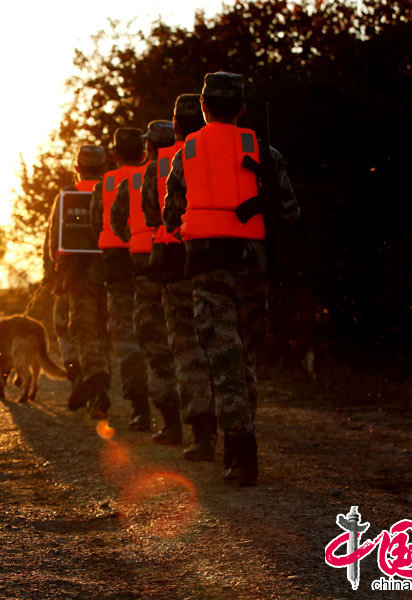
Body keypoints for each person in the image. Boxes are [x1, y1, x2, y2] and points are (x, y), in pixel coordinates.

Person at [163, 72, 299, 485]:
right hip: (254, 267)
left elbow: (170, 217)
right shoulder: (264, 150)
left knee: (224, 360)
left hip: (208, 268)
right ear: (240, 108)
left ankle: (241, 452)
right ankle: (242, 444)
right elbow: (291, 213)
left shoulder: (185, 153)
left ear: (203, 107)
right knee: (246, 359)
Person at [142, 95, 217, 458]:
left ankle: (200, 434)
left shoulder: (164, 164)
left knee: (186, 348)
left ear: (175, 125)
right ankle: (237, 437)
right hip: (228, 256)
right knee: (224, 348)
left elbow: (154, 215)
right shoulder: (239, 147)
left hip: (176, 260)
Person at [108, 120, 182, 440]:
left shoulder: (136, 179)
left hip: (147, 268)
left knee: (152, 345)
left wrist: (138, 242)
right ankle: (204, 429)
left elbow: (116, 220)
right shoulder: (192, 162)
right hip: (189, 263)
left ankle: (164, 419)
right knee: (187, 344)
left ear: (149, 148)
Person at [86, 128, 151, 427]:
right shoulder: (156, 175)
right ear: (144, 152)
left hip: (116, 270)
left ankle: (141, 409)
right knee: (158, 337)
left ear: (114, 155)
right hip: (153, 264)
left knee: (126, 340)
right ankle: (170, 408)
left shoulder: (106, 184)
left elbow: (94, 222)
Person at [43, 144, 111, 415]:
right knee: (99, 331)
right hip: (108, 272)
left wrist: (51, 275)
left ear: (77, 168)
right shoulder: (111, 191)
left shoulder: (65, 196)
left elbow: (53, 238)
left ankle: (89, 385)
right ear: (103, 169)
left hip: (73, 276)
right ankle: (94, 391)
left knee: (68, 329)